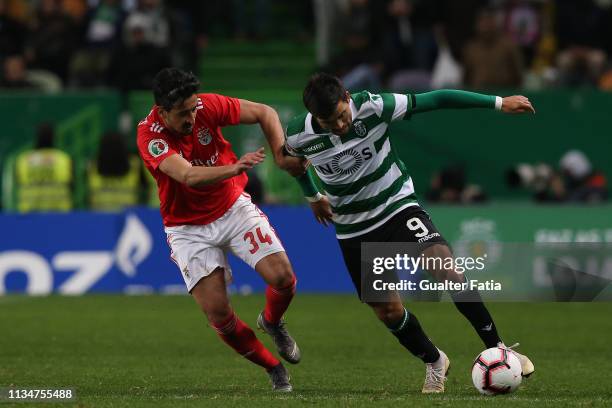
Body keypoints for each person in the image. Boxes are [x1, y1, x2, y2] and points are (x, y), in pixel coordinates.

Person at [283, 73, 536, 393]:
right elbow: (292, 161)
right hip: (354, 228)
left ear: (347, 98)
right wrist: (312, 196)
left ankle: (498, 348)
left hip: (397, 207)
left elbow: (439, 98)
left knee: (444, 266)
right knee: (388, 311)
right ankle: (434, 360)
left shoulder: (374, 107)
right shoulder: (297, 133)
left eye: (342, 116)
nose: (339, 126)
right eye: (328, 121)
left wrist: (498, 103)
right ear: (313, 117)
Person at [136, 68, 306, 392]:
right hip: (187, 228)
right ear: (162, 112)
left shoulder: (206, 106)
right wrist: (235, 166)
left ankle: (271, 321)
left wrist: (280, 154)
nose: (191, 117)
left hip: (231, 208)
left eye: (193, 108)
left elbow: (264, 112)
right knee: (218, 312)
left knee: (284, 279)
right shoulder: (150, 136)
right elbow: (187, 176)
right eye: (183, 113)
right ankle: (273, 368)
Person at [15, 123, 72, 212]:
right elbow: (72, 186)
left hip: (29, 216)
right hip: (59, 216)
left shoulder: (23, 160)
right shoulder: (64, 159)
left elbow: (18, 183)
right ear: (54, 137)